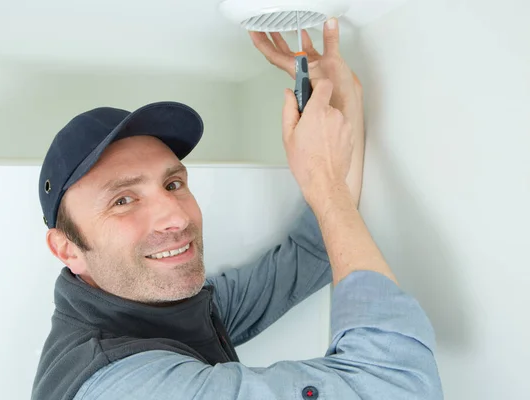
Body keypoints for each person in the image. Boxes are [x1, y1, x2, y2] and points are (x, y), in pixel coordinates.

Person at [31, 19, 442, 400]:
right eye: (123, 201)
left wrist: (341, 101)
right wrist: (326, 184)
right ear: (67, 248)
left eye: (173, 184)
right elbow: (396, 384)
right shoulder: (127, 387)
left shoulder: (158, 305)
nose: (176, 216)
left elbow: (313, 253)